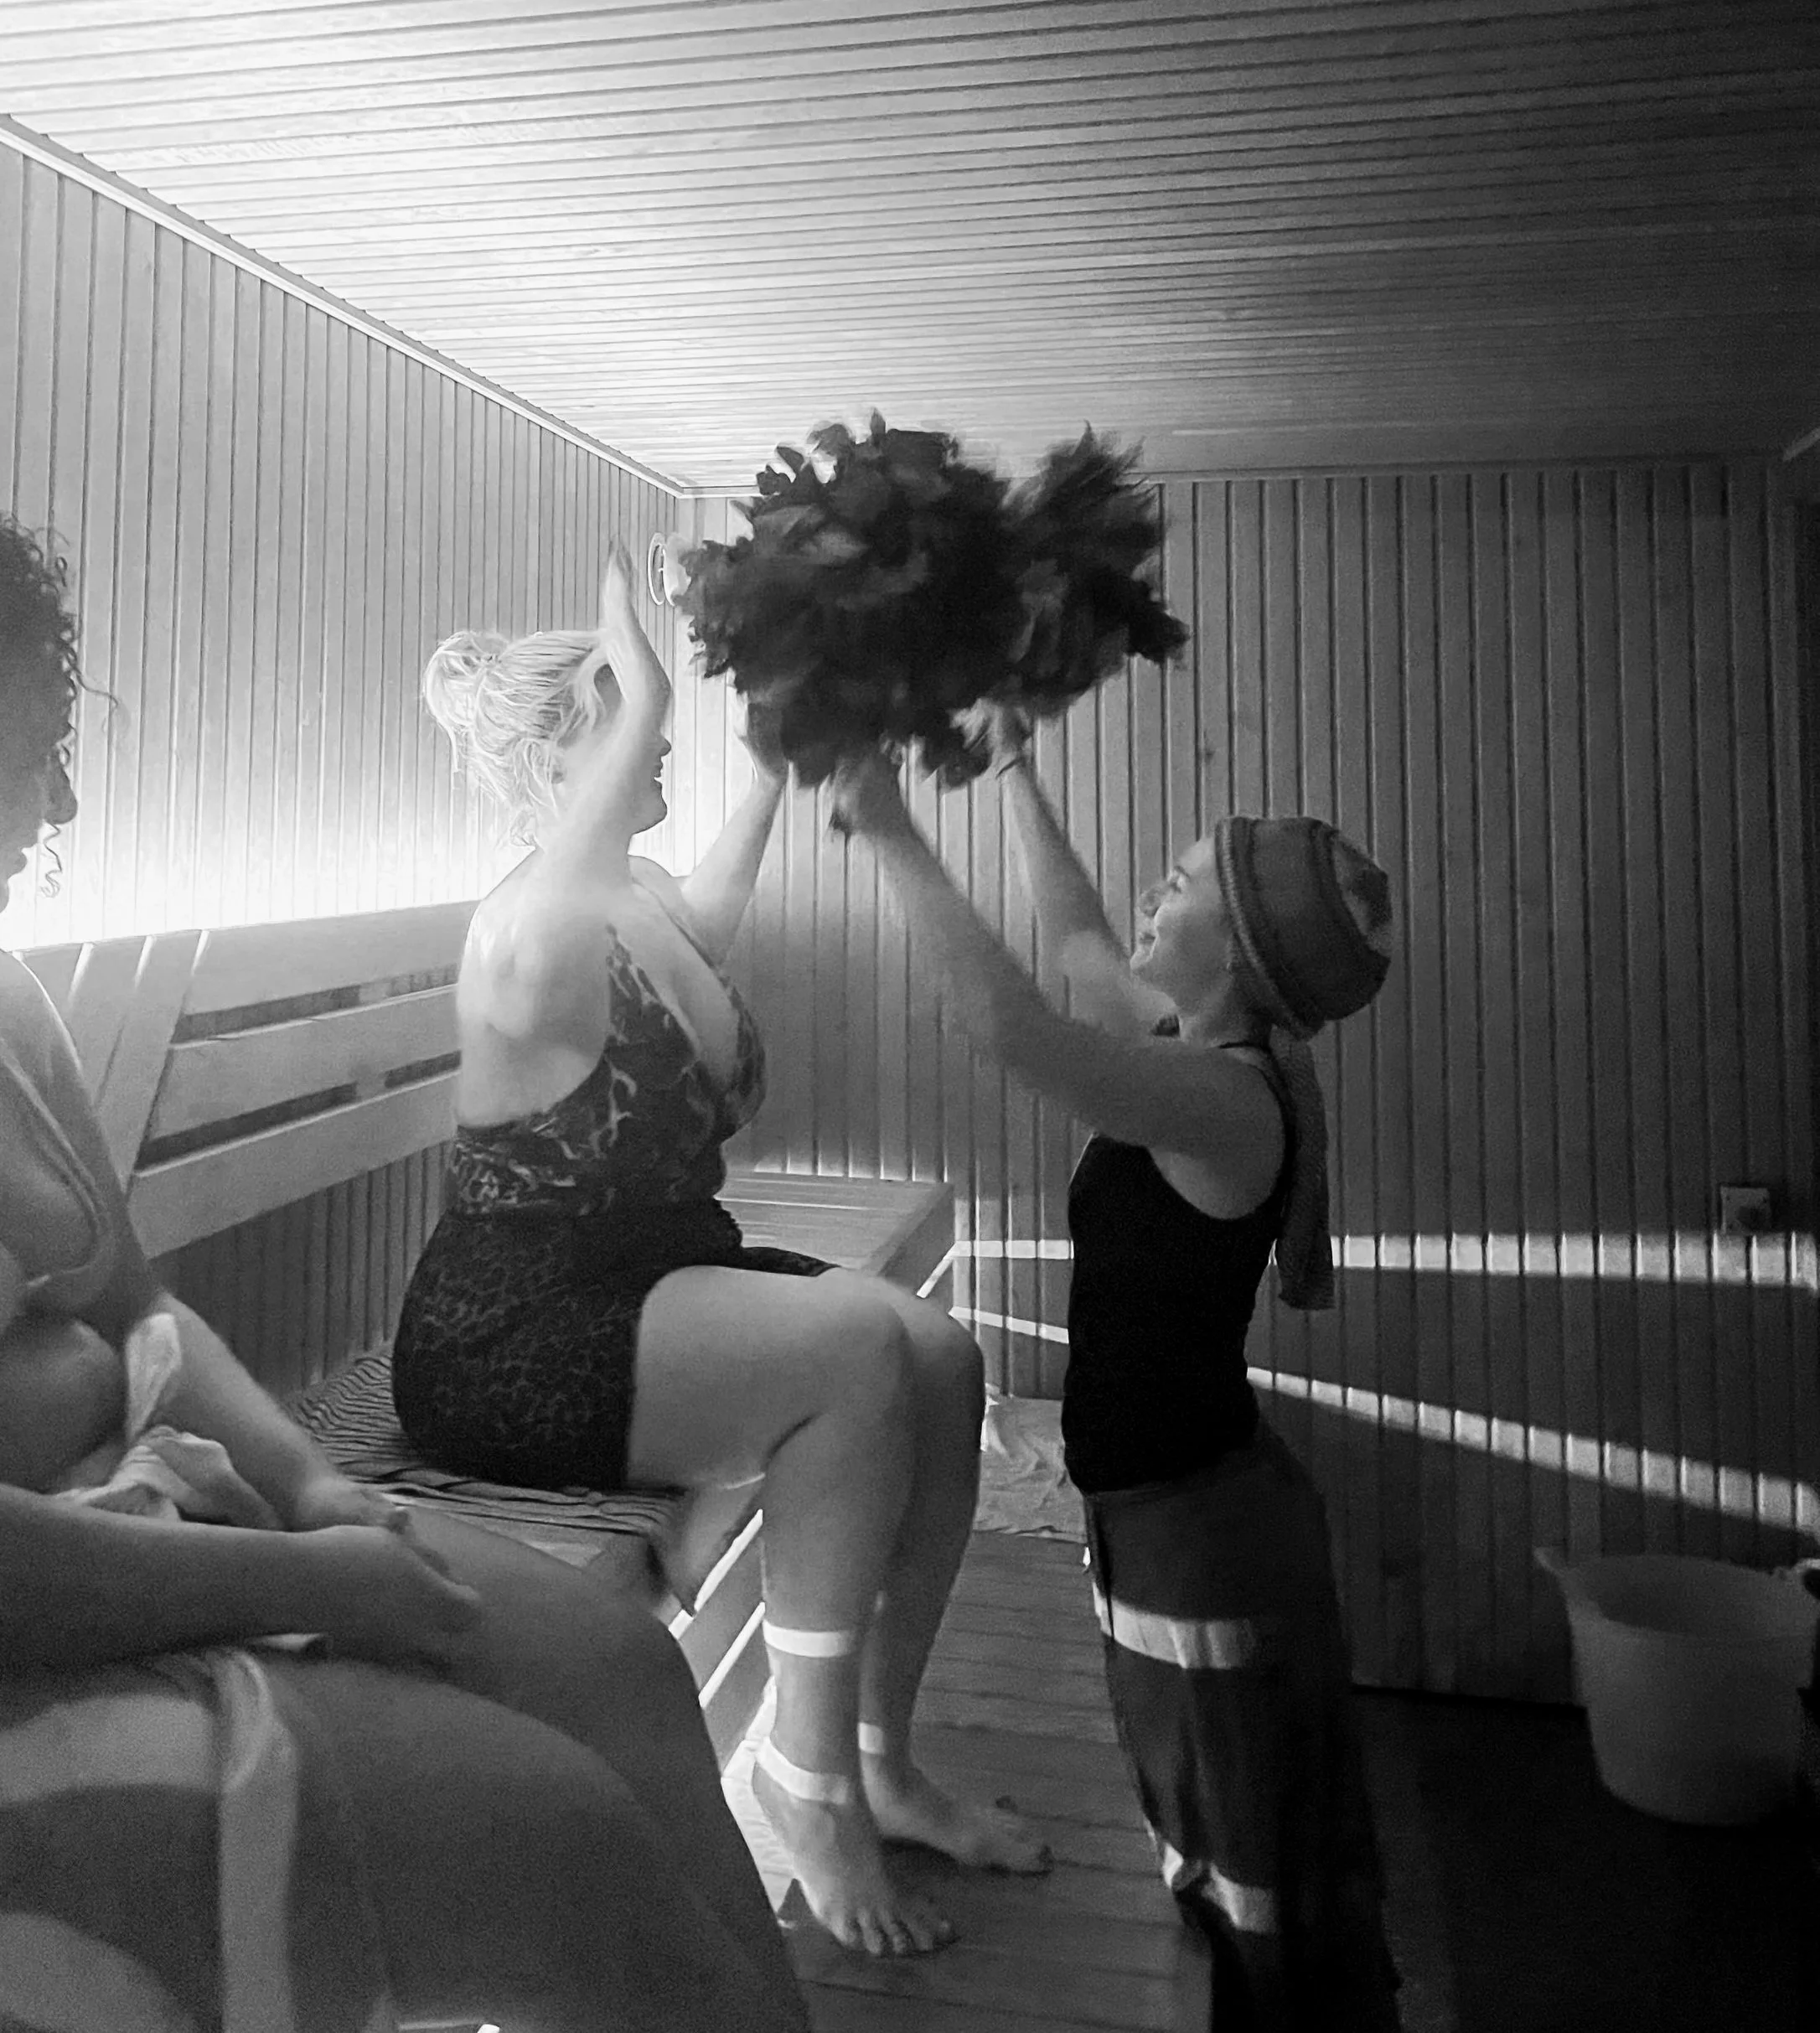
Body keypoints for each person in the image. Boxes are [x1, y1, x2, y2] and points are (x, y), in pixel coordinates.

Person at [0, 512, 809, 2033]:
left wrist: (312, 1489)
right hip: (41, 1638)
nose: (67, 794)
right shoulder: (541, 910)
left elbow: (142, 1313)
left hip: (155, 1513)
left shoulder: (12, 1004)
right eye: (31, 743)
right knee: (565, 1845)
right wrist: (307, 1576)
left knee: (621, 1667)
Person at [390, 545, 1047, 1959]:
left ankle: (879, 1757)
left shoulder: (633, 906)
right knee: (855, 1352)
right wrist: (631, 686)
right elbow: (535, 958)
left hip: (655, 1278)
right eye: (639, 734)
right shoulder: (524, 929)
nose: (663, 754)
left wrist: (785, 748)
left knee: (939, 1357)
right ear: (571, 754)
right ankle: (799, 1782)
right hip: (515, 1326)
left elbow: (709, 906)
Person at [833, 711, 1404, 2032]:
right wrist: (1019, 766)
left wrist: (892, 825)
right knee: (1209, 1834)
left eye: (1190, 880)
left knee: (1255, 1860)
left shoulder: (1228, 1100)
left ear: (1247, 955)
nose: (1161, 885)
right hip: (1167, 1518)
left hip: (1206, 1538)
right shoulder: (1202, 1050)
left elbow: (1012, 1025)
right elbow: (1084, 946)